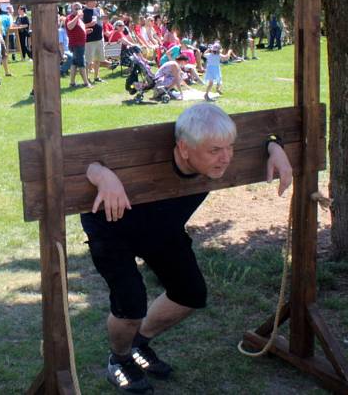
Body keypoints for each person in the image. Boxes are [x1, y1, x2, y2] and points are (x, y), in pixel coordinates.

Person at [82, 103, 292, 393]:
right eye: (215, 150)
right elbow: (82, 163)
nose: (226, 158)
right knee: (130, 305)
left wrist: (274, 146)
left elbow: (267, 136)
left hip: (163, 228)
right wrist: (101, 174)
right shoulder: (150, 159)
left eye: (229, 148)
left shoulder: (221, 158)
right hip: (112, 229)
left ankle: (139, 344)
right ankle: (119, 360)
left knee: (190, 293)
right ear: (183, 148)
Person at [66, 3, 93, 88]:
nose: (78, 10)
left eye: (79, 8)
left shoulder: (79, 19)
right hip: (76, 44)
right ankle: (86, 83)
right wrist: (77, 16)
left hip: (80, 44)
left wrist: (85, 31)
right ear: (72, 9)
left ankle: (72, 83)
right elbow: (69, 26)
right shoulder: (70, 17)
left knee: (74, 63)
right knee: (81, 63)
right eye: (76, 8)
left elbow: (77, 28)